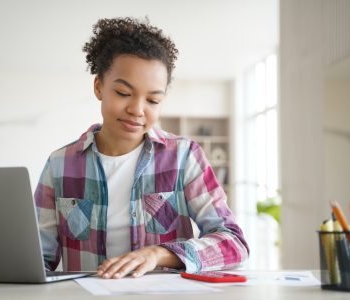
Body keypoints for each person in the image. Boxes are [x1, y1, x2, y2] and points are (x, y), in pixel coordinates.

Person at [34, 17, 249, 279]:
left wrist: (158, 253)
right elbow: (38, 258)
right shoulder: (60, 164)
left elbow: (234, 243)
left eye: (152, 99)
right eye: (124, 93)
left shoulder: (183, 157)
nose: (137, 110)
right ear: (99, 87)